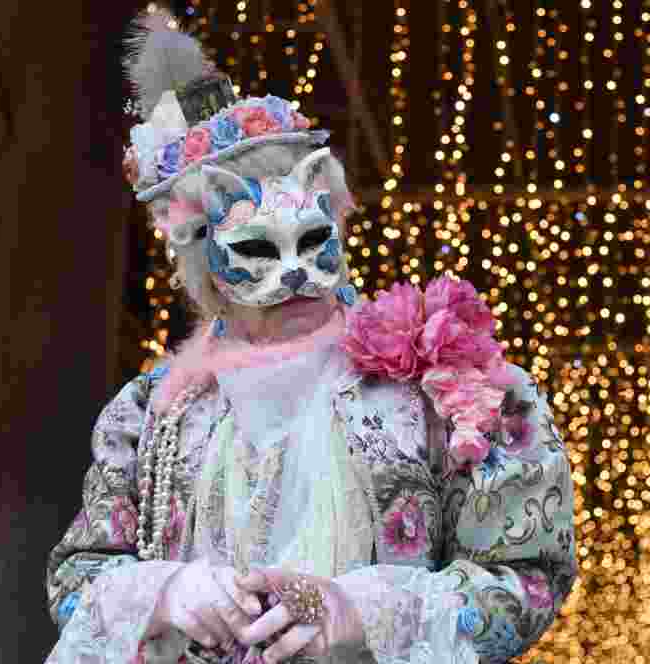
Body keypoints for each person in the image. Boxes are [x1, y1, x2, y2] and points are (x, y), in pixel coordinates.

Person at [45, 11, 578, 664]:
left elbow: (529, 576)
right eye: (255, 247)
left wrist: (363, 611)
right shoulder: (150, 410)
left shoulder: (450, 385)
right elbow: (75, 578)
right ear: (201, 260)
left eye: (314, 239)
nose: (294, 272)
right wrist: (166, 593)